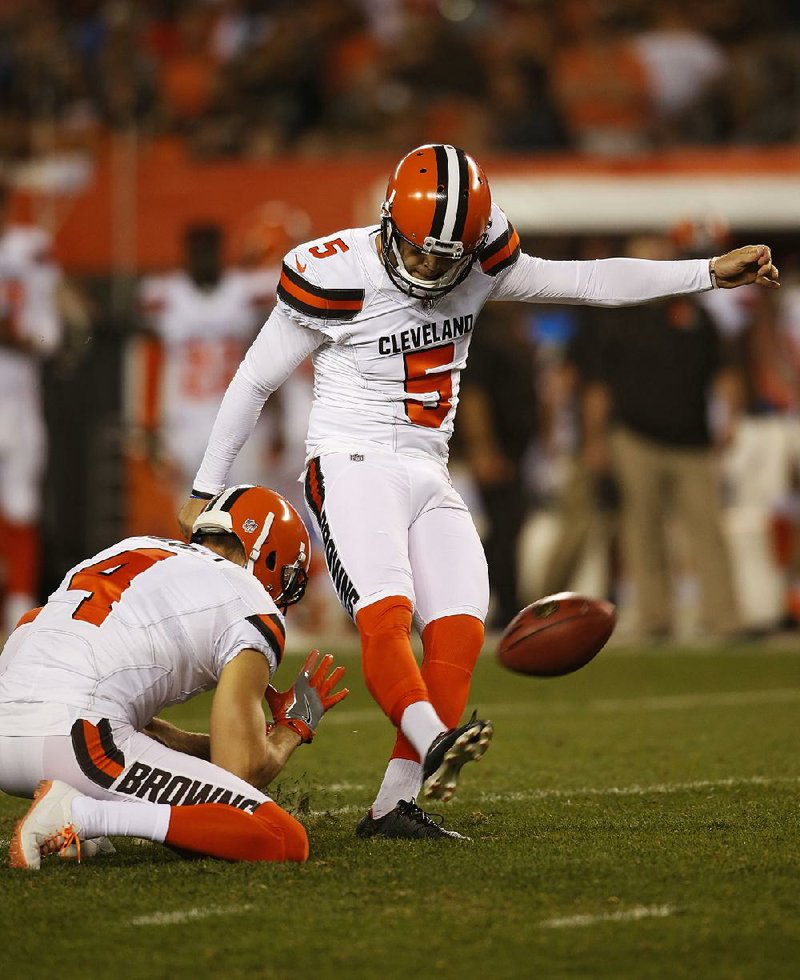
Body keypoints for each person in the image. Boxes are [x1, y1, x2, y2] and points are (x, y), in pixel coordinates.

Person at [177, 143, 779, 840]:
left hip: (431, 467)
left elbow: (588, 282)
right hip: (351, 460)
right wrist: (205, 486)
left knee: (463, 620)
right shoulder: (338, 271)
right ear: (387, 223)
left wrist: (706, 272)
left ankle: (393, 806)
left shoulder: (486, 257)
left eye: (447, 256)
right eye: (421, 252)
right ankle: (434, 737)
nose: (432, 268)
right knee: (387, 611)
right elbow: (255, 379)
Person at [0, 484, 348, 869]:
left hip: (9, 738)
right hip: (74, 743)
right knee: (280, 838)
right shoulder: (252, 601)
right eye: (286, 577)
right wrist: (292, 729)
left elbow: (29, 625)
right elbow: (240, 769)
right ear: (267, 557)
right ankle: (81, 815)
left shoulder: (128, 548)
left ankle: (86, 799)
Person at [566, 234, 746, 641]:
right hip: (634, 436)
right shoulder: (615, 314)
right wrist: (594, 440)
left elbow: (726, 369)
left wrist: (730, 417)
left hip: (693, 440)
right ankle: (655, 618)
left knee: (707, 532)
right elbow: (597, 385)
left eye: (662, 252)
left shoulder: (698, 315)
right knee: (641, 532)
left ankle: (725, 618)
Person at [0, 180, 64, 635]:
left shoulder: (28, 253)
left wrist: (18, 336)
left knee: (21, 502)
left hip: (16, 395)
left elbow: (48, 337)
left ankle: (18, 602)